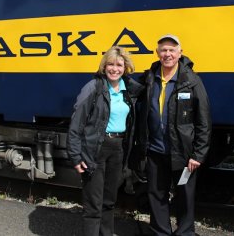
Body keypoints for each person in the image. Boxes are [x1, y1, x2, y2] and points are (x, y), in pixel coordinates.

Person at [134, 34, 211, 236]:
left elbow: (204, 121)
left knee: (185, 195)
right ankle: (161, 232)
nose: (167, 54)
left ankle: (185, 232)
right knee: (156, 194)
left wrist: (198, 154)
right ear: (157, 53)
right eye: (163, 50)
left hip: (183, 153)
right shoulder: (150, 78)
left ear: (180, 53)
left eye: (172, 50)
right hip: (155, 149)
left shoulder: (192, 81)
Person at [67, 46, 143, 236]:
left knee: (109, 201)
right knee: (94, 204)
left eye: (119, 64)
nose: (114, 69)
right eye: (110, 64)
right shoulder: (93, 88)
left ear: (125, 67)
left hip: (118, 149)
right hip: (96, 150)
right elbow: (76, 123)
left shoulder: (128, 90)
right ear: (104, 65)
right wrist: (76, 157)